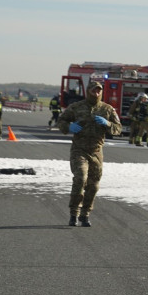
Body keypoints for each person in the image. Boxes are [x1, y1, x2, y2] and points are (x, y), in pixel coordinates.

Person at [57, 80, 122, 227]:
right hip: (79, 150)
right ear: (88, 91)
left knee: (94, 185)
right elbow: (61, 121)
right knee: (80, 178)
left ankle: (85, 214)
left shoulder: (107, 109)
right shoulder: (76, 107)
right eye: (94, 90)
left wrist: (108, 124)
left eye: (99, 90)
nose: (96, 93)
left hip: (96, 151)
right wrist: (69, 126)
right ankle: (74, 213)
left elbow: (118, 128)